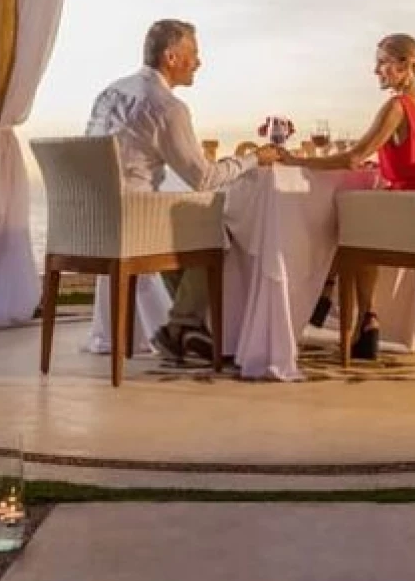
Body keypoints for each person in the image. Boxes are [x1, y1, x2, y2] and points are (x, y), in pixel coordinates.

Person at [87, 18, 279, 366]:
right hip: (132, 219)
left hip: (92, 218)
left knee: (183, 231)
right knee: (220, 229)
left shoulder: (111, 92)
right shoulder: (166, 106)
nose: (200, 63)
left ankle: (189, 327)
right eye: (194, 54)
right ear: (172, 57)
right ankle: (185, 325)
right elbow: (204, 179)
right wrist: (254, 158)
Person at [286, 33, 415, 359]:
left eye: (382, 62)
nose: (376, 71)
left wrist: (295, 160)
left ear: (404, 65)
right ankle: (361, 317)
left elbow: (352, 158)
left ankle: (331, 292)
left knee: (344, 219)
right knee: (358, 216)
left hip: (405, 212)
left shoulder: (397, 107)